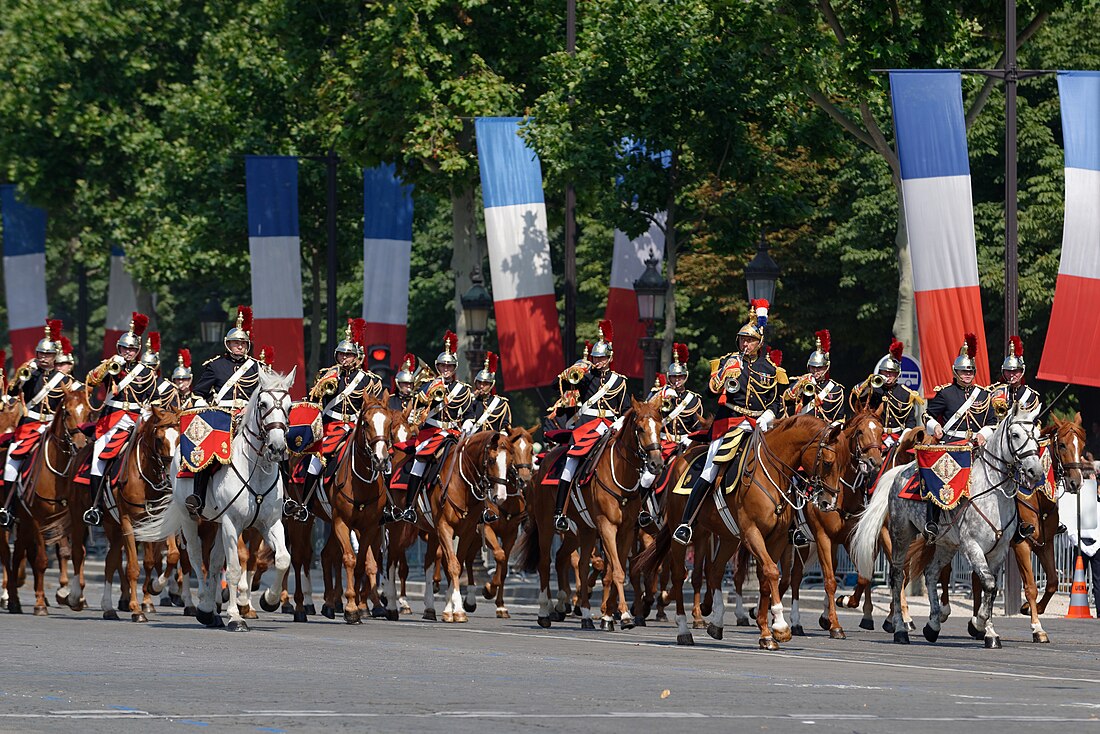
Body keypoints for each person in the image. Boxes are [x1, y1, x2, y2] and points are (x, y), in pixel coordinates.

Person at [673, 300, 786, 546]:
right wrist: (723, 376)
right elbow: (710, 392)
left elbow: (777, 402)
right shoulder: (727, 361)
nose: (745, 344)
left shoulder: (771, 369)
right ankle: (686, 523)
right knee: (710, 468)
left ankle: (792, 523)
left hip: (758, 424)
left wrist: (768, 416)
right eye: (742, 340)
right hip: (729, 424)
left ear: (759, 343)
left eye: (750, 340)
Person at [284, 318, 374, 521]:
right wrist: (322, 387)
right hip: (331, 427)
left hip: (357, 426)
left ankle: (386, 506)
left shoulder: (368, 380)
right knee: (316, 462)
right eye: (342, 354)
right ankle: (305, 504)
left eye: (349, 355)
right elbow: (313, 402)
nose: (345, 358)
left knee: (381, 459)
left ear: (356, 357)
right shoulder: (327, 375)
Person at [184, 306, 262, 515]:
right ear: (228, 345)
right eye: (236, 343)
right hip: (222, 418)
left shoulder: (257, 367)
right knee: (207, 451)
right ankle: (198, 496)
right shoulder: (215, 366)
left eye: (243, 343)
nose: (240, 346)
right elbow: (198, 393)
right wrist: (205, 406)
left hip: (251, 417)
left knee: (275, 448)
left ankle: (286, 498)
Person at [551, 320, 628, 533]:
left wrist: (619, 423)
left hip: (612, 426)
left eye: (602, 358)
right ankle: (560, 512)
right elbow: (560, 386)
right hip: (588, 426)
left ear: (609, 358)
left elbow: (627, 409)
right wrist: (572, 372)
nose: (599, 361)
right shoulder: (586, 378)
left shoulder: (620, 382)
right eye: (596, 358)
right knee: (571, 462)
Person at [392, 331, 475, 523]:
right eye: (443, 365)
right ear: (437, 367)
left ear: (454, 368)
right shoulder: (426, 385)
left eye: (449, 366)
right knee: (419, 463)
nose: (446, 369)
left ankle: (481, 508)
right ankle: (410, 507)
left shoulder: (464, 390)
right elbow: (418, 408)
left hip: (454, 434)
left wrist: (469, 422)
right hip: (431, 433)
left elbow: (469, 413)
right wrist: (427, 394)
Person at [83, 313, 157, 526]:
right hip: (112, 419)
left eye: (132, 349)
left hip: (136, 419)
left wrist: (147, 415)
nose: (128, 352)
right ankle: (95, 507)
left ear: (138, 351)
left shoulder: (146, 372)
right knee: (98, 459)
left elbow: (154, 400)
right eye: (124, 349)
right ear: (119, 349)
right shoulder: (111, 366)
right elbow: (91, 380)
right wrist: (108, 366)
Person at [922, 333, 997, 540]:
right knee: (939, 476)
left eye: (970, 371)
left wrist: (983, 434)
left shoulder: (984, 394)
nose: (967, 374)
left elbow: (992, 422)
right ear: (955, 372)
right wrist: (935, 426)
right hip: (952, 446)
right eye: (963, 371)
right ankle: (932, 521)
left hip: (977, 447)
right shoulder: (945, 393)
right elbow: (927, 414)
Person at [0, 321, 74, 528]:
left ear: (55, 356)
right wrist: (20, 380)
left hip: (53, 427)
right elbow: (13, 394)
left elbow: (76, 399)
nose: (43, 357)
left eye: (47, 354)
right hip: (30, 424)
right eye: (40, 353)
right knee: (11, 462)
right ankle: (8, 508)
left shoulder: (65, 380)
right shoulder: (29, 373)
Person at [639, 343, 704, 527]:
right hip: (664, 444)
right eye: (674, 377)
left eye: (680, 377)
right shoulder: (658, 395)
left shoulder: (694, 400)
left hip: (685, 445)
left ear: (685, 377)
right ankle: (641, 511)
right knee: (647, 477)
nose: (677, 380)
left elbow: (698, 426)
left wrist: (689, 438)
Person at [850, 338, 922, 450]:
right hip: (876, 436)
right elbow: (856, 396)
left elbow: (910, 421)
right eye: (885, 372)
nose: (888, 375)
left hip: (899, 437)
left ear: (897, 374)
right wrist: (868, 384)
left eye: (892, 373)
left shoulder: (905, 393)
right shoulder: (873, 390)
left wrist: (904, 436)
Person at [784, 329, 846, 423]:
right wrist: (800, 385)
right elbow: (787, 399)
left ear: (826, 367)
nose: (815, 370)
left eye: (819, 368)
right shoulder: (802, 382)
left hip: (824, 433)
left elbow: (839, 419)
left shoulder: (835, 390)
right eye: (813, 367)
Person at [990, 336, 1038, 416]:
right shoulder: (997, 392)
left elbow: (1035, 422)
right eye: (1008, 371)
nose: (1011, 374)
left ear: (1022, 371)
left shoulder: (1030, 395)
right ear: (1003, 372)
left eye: (1015, 371)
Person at [470, 352, 511, 433]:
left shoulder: (500, 404)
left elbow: (505, 425)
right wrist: (472, 398)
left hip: (493, 442)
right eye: (479, 383)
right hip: (474, 441)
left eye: (485, 384)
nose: (481, 386)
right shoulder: (471, 402)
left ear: (491, 385)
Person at [142, 332, 183, 411]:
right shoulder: (135, 383)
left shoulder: (168, 389)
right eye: (144, 367)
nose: (148, 370)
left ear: (156, 366)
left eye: (152, 366)